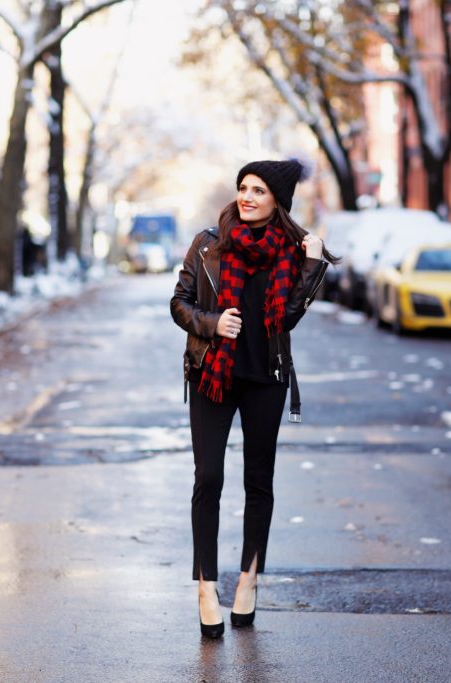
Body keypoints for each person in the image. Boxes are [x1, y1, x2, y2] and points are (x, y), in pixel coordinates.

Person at [170, 159, 339, 638]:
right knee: (209, 478)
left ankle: (249, 579)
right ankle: (206, 586)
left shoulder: (290, 252)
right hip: (212, 375)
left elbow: (286, 319)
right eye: (243, 187)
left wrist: (312, 265)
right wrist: (210, 323)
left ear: (277, 201)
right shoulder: (208, 244)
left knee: (258, 481)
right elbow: (179, 302)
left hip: (266, 376)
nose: (246, 196)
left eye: (258, 190)